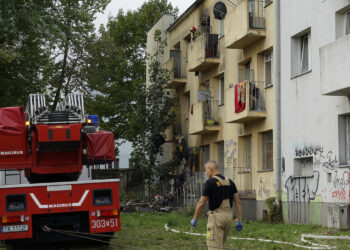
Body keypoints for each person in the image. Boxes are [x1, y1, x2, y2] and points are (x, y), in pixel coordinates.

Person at [191, 160, 243, 250]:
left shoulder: (210, 182)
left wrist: (195, 219)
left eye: (206, 171)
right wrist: (239, 220)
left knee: (214, 247)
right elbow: (238, 202)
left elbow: (201, 203)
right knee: (221, 246)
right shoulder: (230, 182)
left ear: (211, 169)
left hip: (216, 219)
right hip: (228, 217)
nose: (206, 173)